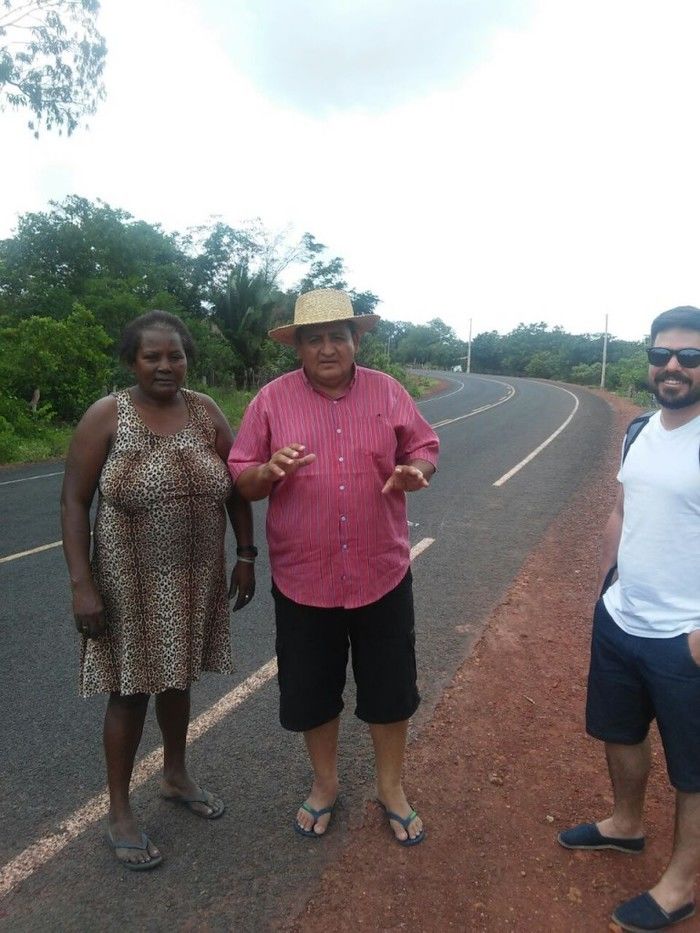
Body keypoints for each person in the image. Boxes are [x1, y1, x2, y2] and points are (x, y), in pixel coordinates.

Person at [227, 288, 439, 846]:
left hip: (381, 572)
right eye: (314, 339)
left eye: (338, 337)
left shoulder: (388, 391)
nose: (327, 348)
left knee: (390, 688)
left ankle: (391, 788)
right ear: (297, 347)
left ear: (355, 341)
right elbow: (242, 476)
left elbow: (424, 446)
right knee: (312, 690)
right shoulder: (270, 401)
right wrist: (267, 471)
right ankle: (325, 784)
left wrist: (416, 471)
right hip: (304, 578)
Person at [61, 310, 256, 871]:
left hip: (196, 577)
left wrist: (246, 554)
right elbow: (74, 501)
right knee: (129, 693)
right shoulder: (107, 415)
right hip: (127, 585)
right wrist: (82, 585)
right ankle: (119, 811)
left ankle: (175, 774)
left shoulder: (205, 410)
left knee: (178, 680)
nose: (165, 365)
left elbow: (237, 484)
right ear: (133, 361)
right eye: (152, 356)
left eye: (176, 355)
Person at [558, 306, 700, 931]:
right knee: (620, 731)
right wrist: (604, 586)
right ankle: (626, 823)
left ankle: (681, 884)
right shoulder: (639, 430)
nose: (673, 367)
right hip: (622, 618)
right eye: (662, 354)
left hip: (684, 636)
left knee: (693, 767)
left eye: (690, 357)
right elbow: (622, 508)